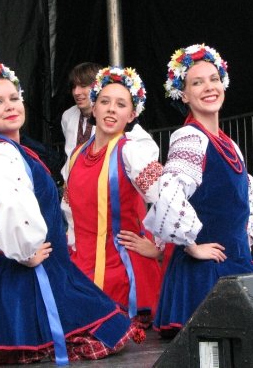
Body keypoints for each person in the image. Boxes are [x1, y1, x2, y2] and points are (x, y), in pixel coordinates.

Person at [0, 59, 143, 366]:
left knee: (106, 324)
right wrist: (26, 251)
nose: (10, 106)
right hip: (26, 275)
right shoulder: (0, 154)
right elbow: (8, 206)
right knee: (103, 330)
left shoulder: (13, 150)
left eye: (13, 98)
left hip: (47, 267)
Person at [144, 44, 253, 336]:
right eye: (197, 82)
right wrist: (191, 245)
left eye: (214, 79)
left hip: (235, 263)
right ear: (184, 94)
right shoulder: (190, 137)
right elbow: (169, 191)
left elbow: (244, 201)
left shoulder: (228, 144)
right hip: (207, 273)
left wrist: (242, 244)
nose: (208, 87)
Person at [61, 66, 163, 328]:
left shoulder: (132, 152)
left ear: (131, 114)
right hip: (82, 267)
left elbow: (168, 200)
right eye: (104, 102)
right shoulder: (77, 156)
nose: (110, 109)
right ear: (93, 108)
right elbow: (71, 212)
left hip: (122, 271)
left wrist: (159, 248)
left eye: (120, 104)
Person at [59, 62, 100, 184]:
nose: (76, 92)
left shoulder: (111, 115)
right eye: (74, 86)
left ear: (97, 86)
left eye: (83, 85)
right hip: (72, 186)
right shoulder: (67, 116)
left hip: (101, 188)